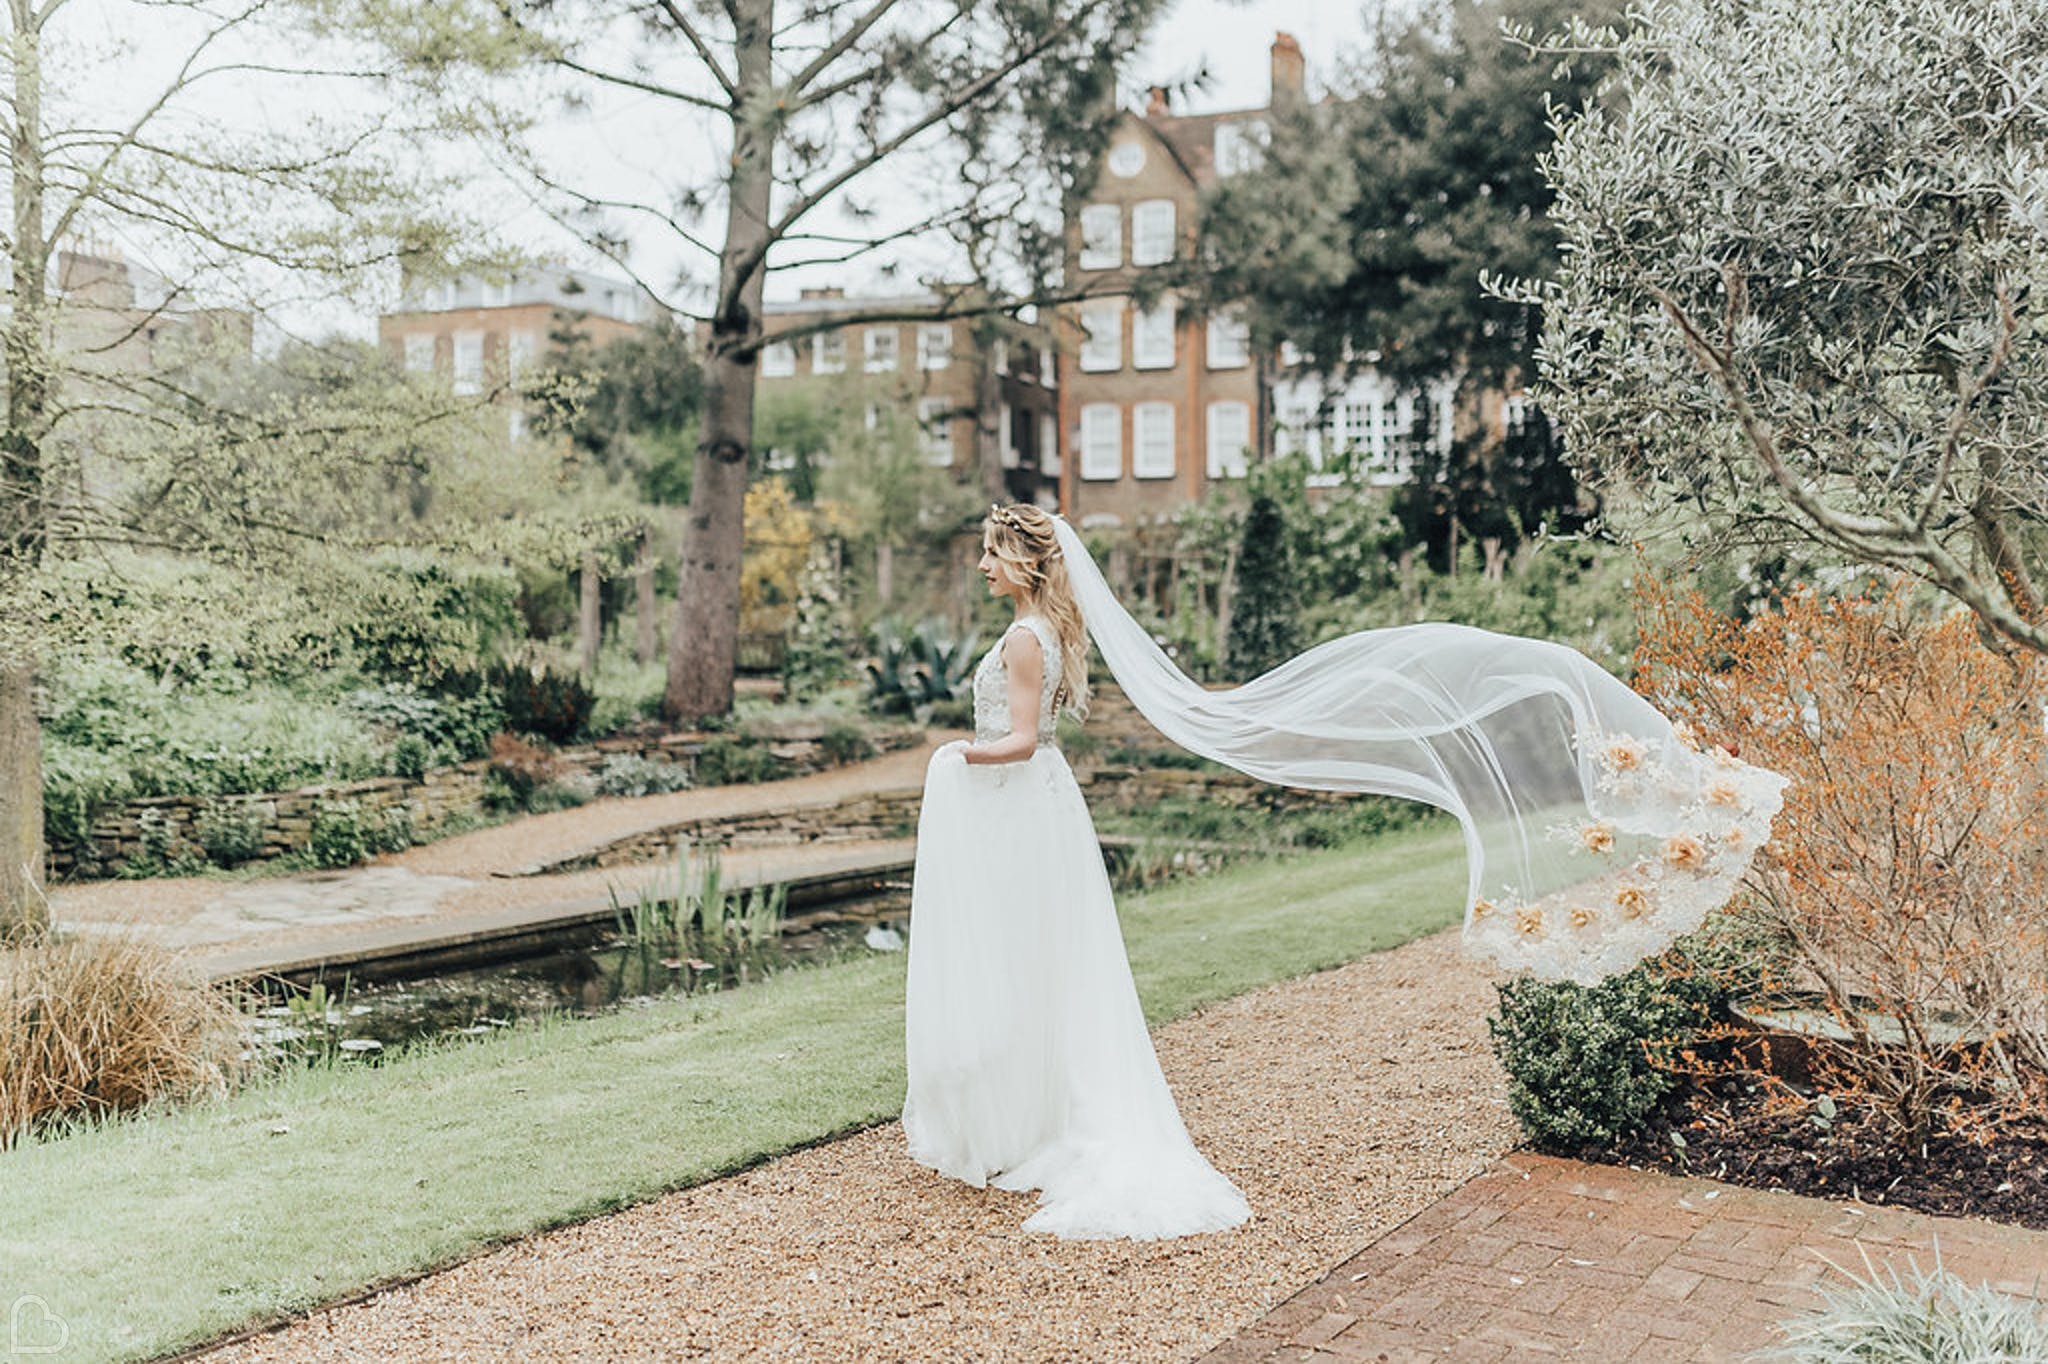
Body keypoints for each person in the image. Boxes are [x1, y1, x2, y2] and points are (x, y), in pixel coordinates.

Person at [900, 502, 1252, 1241]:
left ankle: (1037, 1121)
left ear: (1025, 561)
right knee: (1037, 962)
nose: (983, 565)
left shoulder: (1027, 639)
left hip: (1022, 804)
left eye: (993, 553)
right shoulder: (1042, 630)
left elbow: (1023, 740)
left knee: (1027, 958)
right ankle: (1028, 1115)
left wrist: (956, 754)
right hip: (1034, 808)